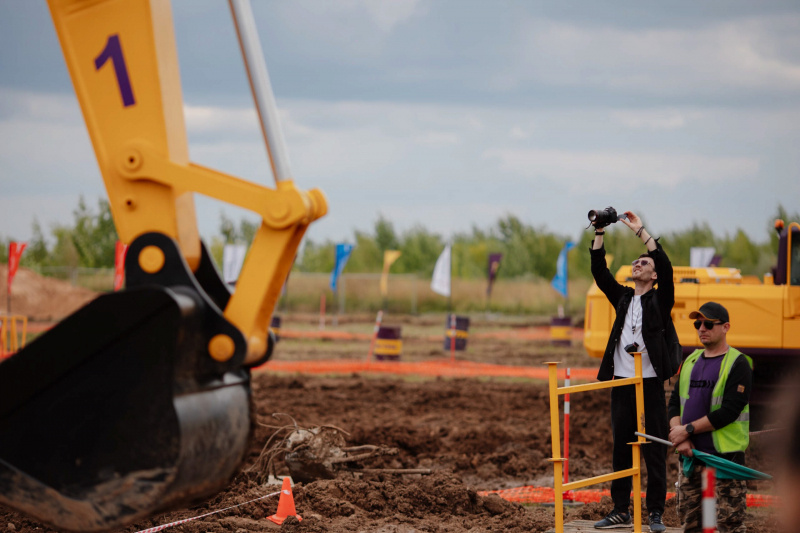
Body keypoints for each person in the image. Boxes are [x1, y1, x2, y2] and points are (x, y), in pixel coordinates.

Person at [590, 211, 675, 532]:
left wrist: (641, 232)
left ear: (653, 276)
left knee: (654, 447)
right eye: (636, 263)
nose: (638, 265)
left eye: (645, 264)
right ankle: (620, 509)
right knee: (622, 445)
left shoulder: (660, 299)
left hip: (651, 383)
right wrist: (599, 231)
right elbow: (600, 272)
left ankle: (655, 512)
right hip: (622, 382)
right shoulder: (623, 297)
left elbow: (665, 268)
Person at [667, 302, 753, 533]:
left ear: (725, 327)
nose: (701, 328)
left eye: (708, 324)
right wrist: (680, 437)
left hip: (725, 460)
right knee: (692, 525)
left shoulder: (738, 363)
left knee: (729, 525)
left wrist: (687, 430)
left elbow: (729, 411)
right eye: (698, 323)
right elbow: (675, 403)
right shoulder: (691, 360)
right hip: (691, 457)